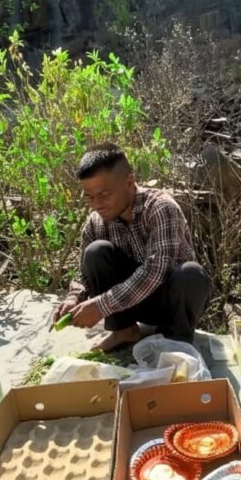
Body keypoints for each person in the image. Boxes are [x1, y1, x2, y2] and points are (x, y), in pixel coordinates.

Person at [54, 144, 212, 352]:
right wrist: (74, 297)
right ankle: (123, 330)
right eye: (89, 197)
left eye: (104, 194)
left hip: (171, 301)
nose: (96, 204)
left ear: (129, 182)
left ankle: (175, 340)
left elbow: (156, 272)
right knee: (95, 252)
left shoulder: (160, 208)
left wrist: (100, 306)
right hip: (129, 305)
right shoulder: (96, 221)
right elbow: (83, 274)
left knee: (191, 274)